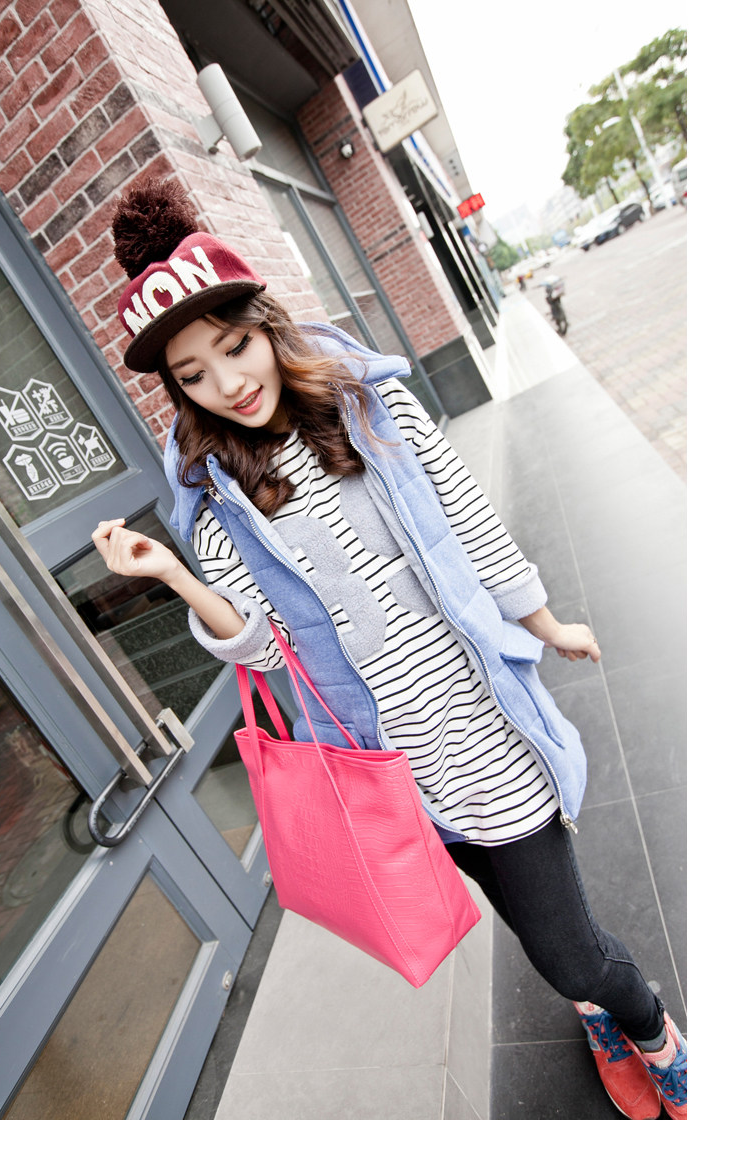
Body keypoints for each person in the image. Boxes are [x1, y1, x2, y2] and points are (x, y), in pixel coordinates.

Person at [92, 179, 687, 1121]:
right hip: (391, 762)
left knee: (567, 944)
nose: (228, 384)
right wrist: (173, 574)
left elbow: (469, 522)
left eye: (235, 347)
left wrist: (544, 622)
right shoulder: (214, 502)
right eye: (194, 375)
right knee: (521, 913)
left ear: (266, 324)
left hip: (479, 718)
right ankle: (596, 1013)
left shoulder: (372, 406)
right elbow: (267, 650)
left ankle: (648, 1028)